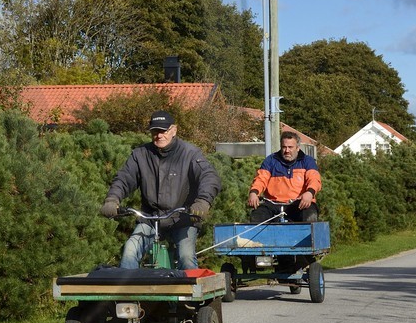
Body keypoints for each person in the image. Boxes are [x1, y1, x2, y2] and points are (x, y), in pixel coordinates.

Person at [100, 110, 221, 271]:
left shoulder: (190, 153)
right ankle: (127, 286)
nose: (159, 135)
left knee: (186, 256)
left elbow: (209, 177)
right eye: (155, 131)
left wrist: (203, 202)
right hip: (150, 218)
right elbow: (124, 179)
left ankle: (192, 287)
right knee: (130, 250)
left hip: (182, 218)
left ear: (174, 130)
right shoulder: (140, 155)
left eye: (163, 131)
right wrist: (112, 199)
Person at [247, 129, 322, 223]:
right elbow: (261, 179)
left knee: (309, 215)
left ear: (297, 148)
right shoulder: (271, 160)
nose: (287, 151)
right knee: (257, 216)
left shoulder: (307, 161)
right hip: (273, 204)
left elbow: (314, 180)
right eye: (284, 147)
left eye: (290, 147)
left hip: (298, 203)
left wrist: (309, 193)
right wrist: (254, 193)